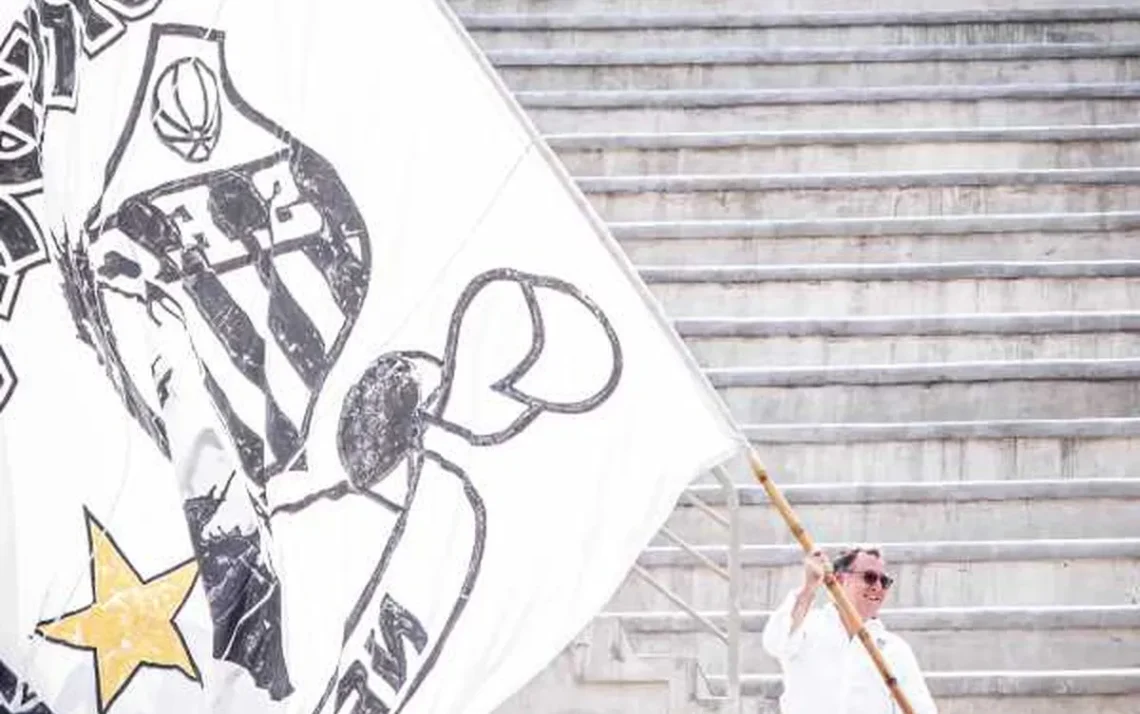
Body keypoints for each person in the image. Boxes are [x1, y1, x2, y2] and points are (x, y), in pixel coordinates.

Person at [761, 546, 938, 714]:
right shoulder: (806, 627)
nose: (877, 586)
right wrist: (809, 588)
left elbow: (922, 708)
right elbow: (775, 643)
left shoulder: (895, 649)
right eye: (869, 577)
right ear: (839, 580)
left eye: (884, 581)